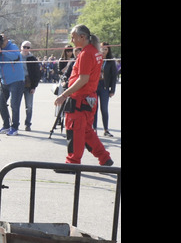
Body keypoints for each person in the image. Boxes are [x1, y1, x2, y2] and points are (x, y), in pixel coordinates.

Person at [54, 25, 113, 167]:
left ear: (82, 37)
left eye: (73, 37)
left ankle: (73, 163)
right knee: (87, 132)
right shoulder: (94, 52)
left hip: (80, 99)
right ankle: (104, 158)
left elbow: (83, 79)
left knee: (76, 132)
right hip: (88, 98)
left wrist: (63, 95)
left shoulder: (87, 53)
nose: (72, 40)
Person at [0, 35, 25, 136]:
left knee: (14, 104)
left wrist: (2, 51)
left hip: (16, 80)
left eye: (2, 41)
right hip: (4, 81)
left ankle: (15, 127)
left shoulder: (12, 46)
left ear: (6, 40)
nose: (1, 43)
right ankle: (6, 125)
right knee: (1, 103)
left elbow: (15, 56)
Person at [93, 42, 118, 137]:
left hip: (105, 87)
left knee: (104, 109)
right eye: (101, 48)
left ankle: (106, 130)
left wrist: (112, 90)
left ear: (108, 50)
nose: (103, 51)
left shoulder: (111, 61)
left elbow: (113, 76)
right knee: (94, 109)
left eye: (105, 49)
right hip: (94, 86)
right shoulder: (95, 59)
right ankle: (94, 129)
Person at [20, 41, 41, 132]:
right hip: (18, 83)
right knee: (15, 105)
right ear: (21, 47)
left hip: (29, 84)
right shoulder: (17, 57)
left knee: (29, 106)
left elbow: (37, 74)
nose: (26, 49)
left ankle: (28, 124)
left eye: (28, 47)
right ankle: (14, 124)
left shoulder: (32, 58)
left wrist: (34, 87)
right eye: (24, 47)